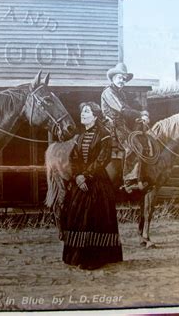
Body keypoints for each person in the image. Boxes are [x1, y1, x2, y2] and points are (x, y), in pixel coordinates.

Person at [60, 102, 123, 270]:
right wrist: (78, 176)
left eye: (87, 112)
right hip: (80, 182)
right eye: (82, 112)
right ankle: (76, 256)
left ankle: (95, 259)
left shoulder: (105, 135)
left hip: (97, 183)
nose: (82, 114)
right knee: (76, 215)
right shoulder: (79, 137)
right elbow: (73, 158)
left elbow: (103, 159)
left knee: (95, 218)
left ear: (95, 116)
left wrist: (86, 176)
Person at [101, 63, 150, 193]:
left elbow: (128, 110)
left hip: (121, 124)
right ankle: (129, 180)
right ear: (112, 78)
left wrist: (140, 115)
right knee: (133, 146)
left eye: (124, 78)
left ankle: (137, 177)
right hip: (112, 125)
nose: (122, 80)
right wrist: (140, 114)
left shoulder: (121, 94)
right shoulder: (108, 92)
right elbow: (122, 109)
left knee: (141, 141)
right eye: (119, 77)